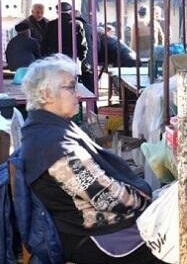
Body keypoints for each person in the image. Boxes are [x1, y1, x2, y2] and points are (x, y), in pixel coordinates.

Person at [20, 54, 162, 263]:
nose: (76, 93)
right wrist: (148, 198)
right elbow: (109, 198)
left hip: (89, 226)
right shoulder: (56, 147)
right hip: (90, 236)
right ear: (46, 94)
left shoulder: (44, 129)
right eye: (70, 87)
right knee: (171, 243)